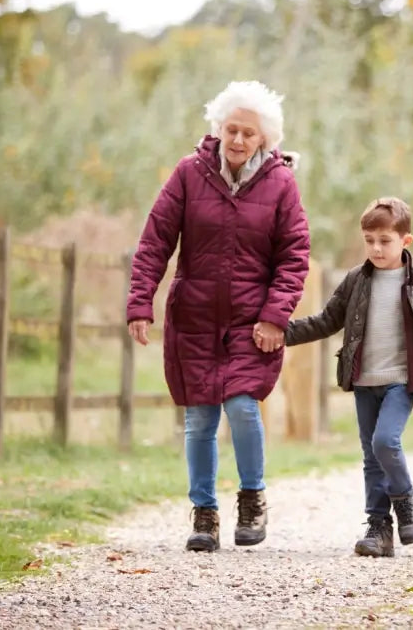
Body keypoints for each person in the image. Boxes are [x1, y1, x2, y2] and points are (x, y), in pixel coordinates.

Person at [126, 81, 310, 553]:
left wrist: (275, 316)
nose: (239, 140)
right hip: (194, 317)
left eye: (249, 133)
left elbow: (294, 256)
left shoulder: (280, 183)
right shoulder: (189, 173)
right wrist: (140, 302)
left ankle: (252, 498)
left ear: (265, 139)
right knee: (200, 418)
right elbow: (155, 240)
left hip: (252, 322)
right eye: (232, 129)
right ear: (219, 128)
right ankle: (204, 513)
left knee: (243, 407)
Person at [285, 197, 413, 558]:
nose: (376, 248)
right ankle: (379, 528)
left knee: (385, 442)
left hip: (401, 381)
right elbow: (327, 321)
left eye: (385, 240)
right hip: (364, 381)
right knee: (370, 456)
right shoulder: (356, 281)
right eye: (369, 240)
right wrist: (281, 332)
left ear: (405, 241)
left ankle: (406, 501)